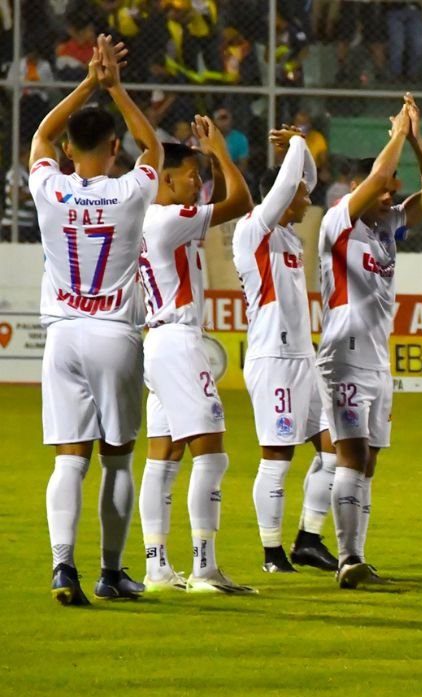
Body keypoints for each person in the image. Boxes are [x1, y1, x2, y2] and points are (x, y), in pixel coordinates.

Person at [35, 36, 162, 605]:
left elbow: (39, 135)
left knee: (69, 457)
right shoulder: (130, 191)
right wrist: (115, 87)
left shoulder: (50, 186)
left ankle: (64, 568)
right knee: (117, 459)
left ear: (67, 149)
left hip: (61, 336)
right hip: (115, 335)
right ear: (114, 146)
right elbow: (152, 147)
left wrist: (87, 82)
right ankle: (112, 573)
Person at [318, 94, 422, 589]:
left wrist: (416, 142)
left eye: (393, 192)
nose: (390, 197)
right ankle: (347, 560)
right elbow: (375, 180)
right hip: (344, 354)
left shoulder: (387, 228)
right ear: (358, 192)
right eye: (383, 191)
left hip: (375, 357)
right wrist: (396, 134)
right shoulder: (339, 223)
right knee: (351, 454)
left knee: (368, 458)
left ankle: (358, 556)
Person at [137, 118, 254, 594]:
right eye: (192, 175)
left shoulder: (147, 220)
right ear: (166, 178)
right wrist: (222, 153)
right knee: (212, 454)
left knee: (162, 459)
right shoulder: (168, 218)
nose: (199, 184)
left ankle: (156, 567)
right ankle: (204, 567)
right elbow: (242, 202)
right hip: (180, 342)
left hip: (157, 343)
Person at [233, 126, 341, 576]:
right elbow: (288, 186)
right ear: (278, 196)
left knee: (334, 451)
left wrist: (300, 143)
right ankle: (270, 551)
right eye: (299, 195)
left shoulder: (288, 236)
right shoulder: (254, 229)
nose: (307, 200)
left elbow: (304, 179)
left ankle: (308, 539)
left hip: (302, 357)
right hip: (273, 360)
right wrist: (298, 144)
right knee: (277, 458)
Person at [385, 0, 422, 82]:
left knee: (418, 44)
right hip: (394, 10)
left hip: (414, 10)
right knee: (397, 44)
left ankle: (413, 74)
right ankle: (396, 74)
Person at [213, 106, 250, 171]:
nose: (224, 122)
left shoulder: (240, 138)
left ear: (231, 120)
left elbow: (243, 165)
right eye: (220, 119)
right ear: (214, 122)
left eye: (226, 118)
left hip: (234, 173)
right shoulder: (209, 137)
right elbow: (205, 165)